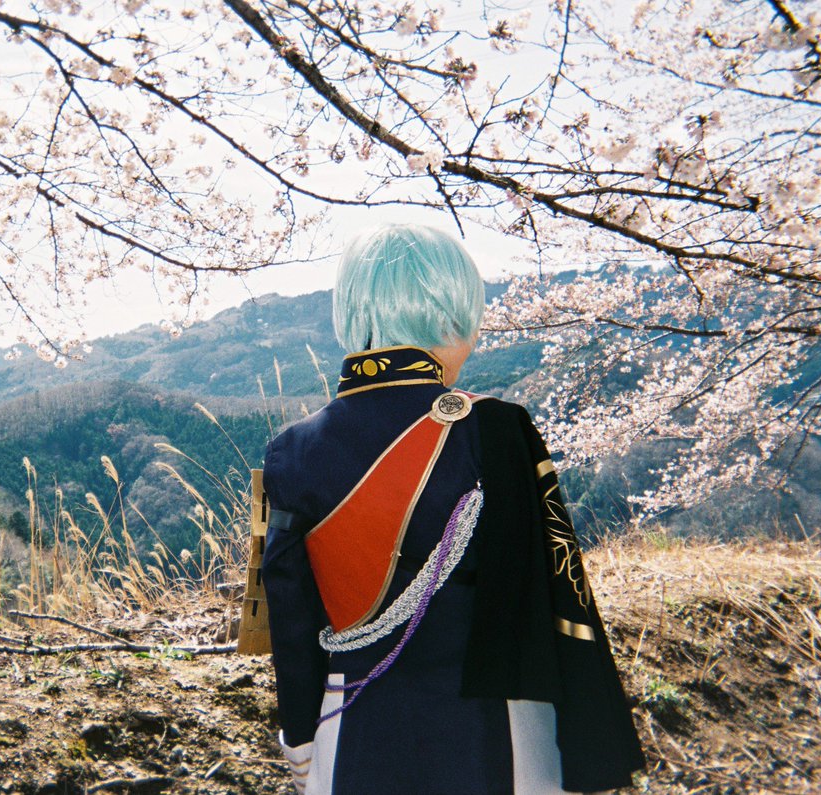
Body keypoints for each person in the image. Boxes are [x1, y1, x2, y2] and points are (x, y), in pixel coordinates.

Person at [261, 225, 645, 795]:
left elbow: (289, 620)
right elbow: (555, 597)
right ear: (448, 314)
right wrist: (593, 743)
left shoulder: (289, 450)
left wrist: (301, 739)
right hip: (496, 737)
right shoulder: (496, 429)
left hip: (348, 734)